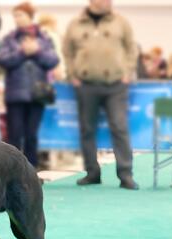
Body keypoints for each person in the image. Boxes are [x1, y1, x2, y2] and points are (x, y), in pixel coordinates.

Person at [63, 0, 139, 190]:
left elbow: (132, 48)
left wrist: (128, 72)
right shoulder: (75, 23)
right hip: (86, 84)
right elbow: (67, 51)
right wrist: (72, 75)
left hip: (116, 85)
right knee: (87, 130)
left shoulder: (121, 22)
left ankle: (125, 174)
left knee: (119, 127)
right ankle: (92, 173)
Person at [0, 2, 58, 167]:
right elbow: (2, 59)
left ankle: (32, 171)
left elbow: (53, 60)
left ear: (30, 16)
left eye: (20, 15)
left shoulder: (44, 38)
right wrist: (22, 52)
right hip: (15, 95)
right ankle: (13, 171)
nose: (16, 19)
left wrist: (36, 51)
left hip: (37, 94)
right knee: (15, 135)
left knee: (31, 135)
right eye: (15, 15)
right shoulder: (10, 38)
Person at [38, 14, 66, 82]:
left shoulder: (38, 34)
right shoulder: (52, 34)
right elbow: (57, 52)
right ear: (50, 23)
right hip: (55, 69)